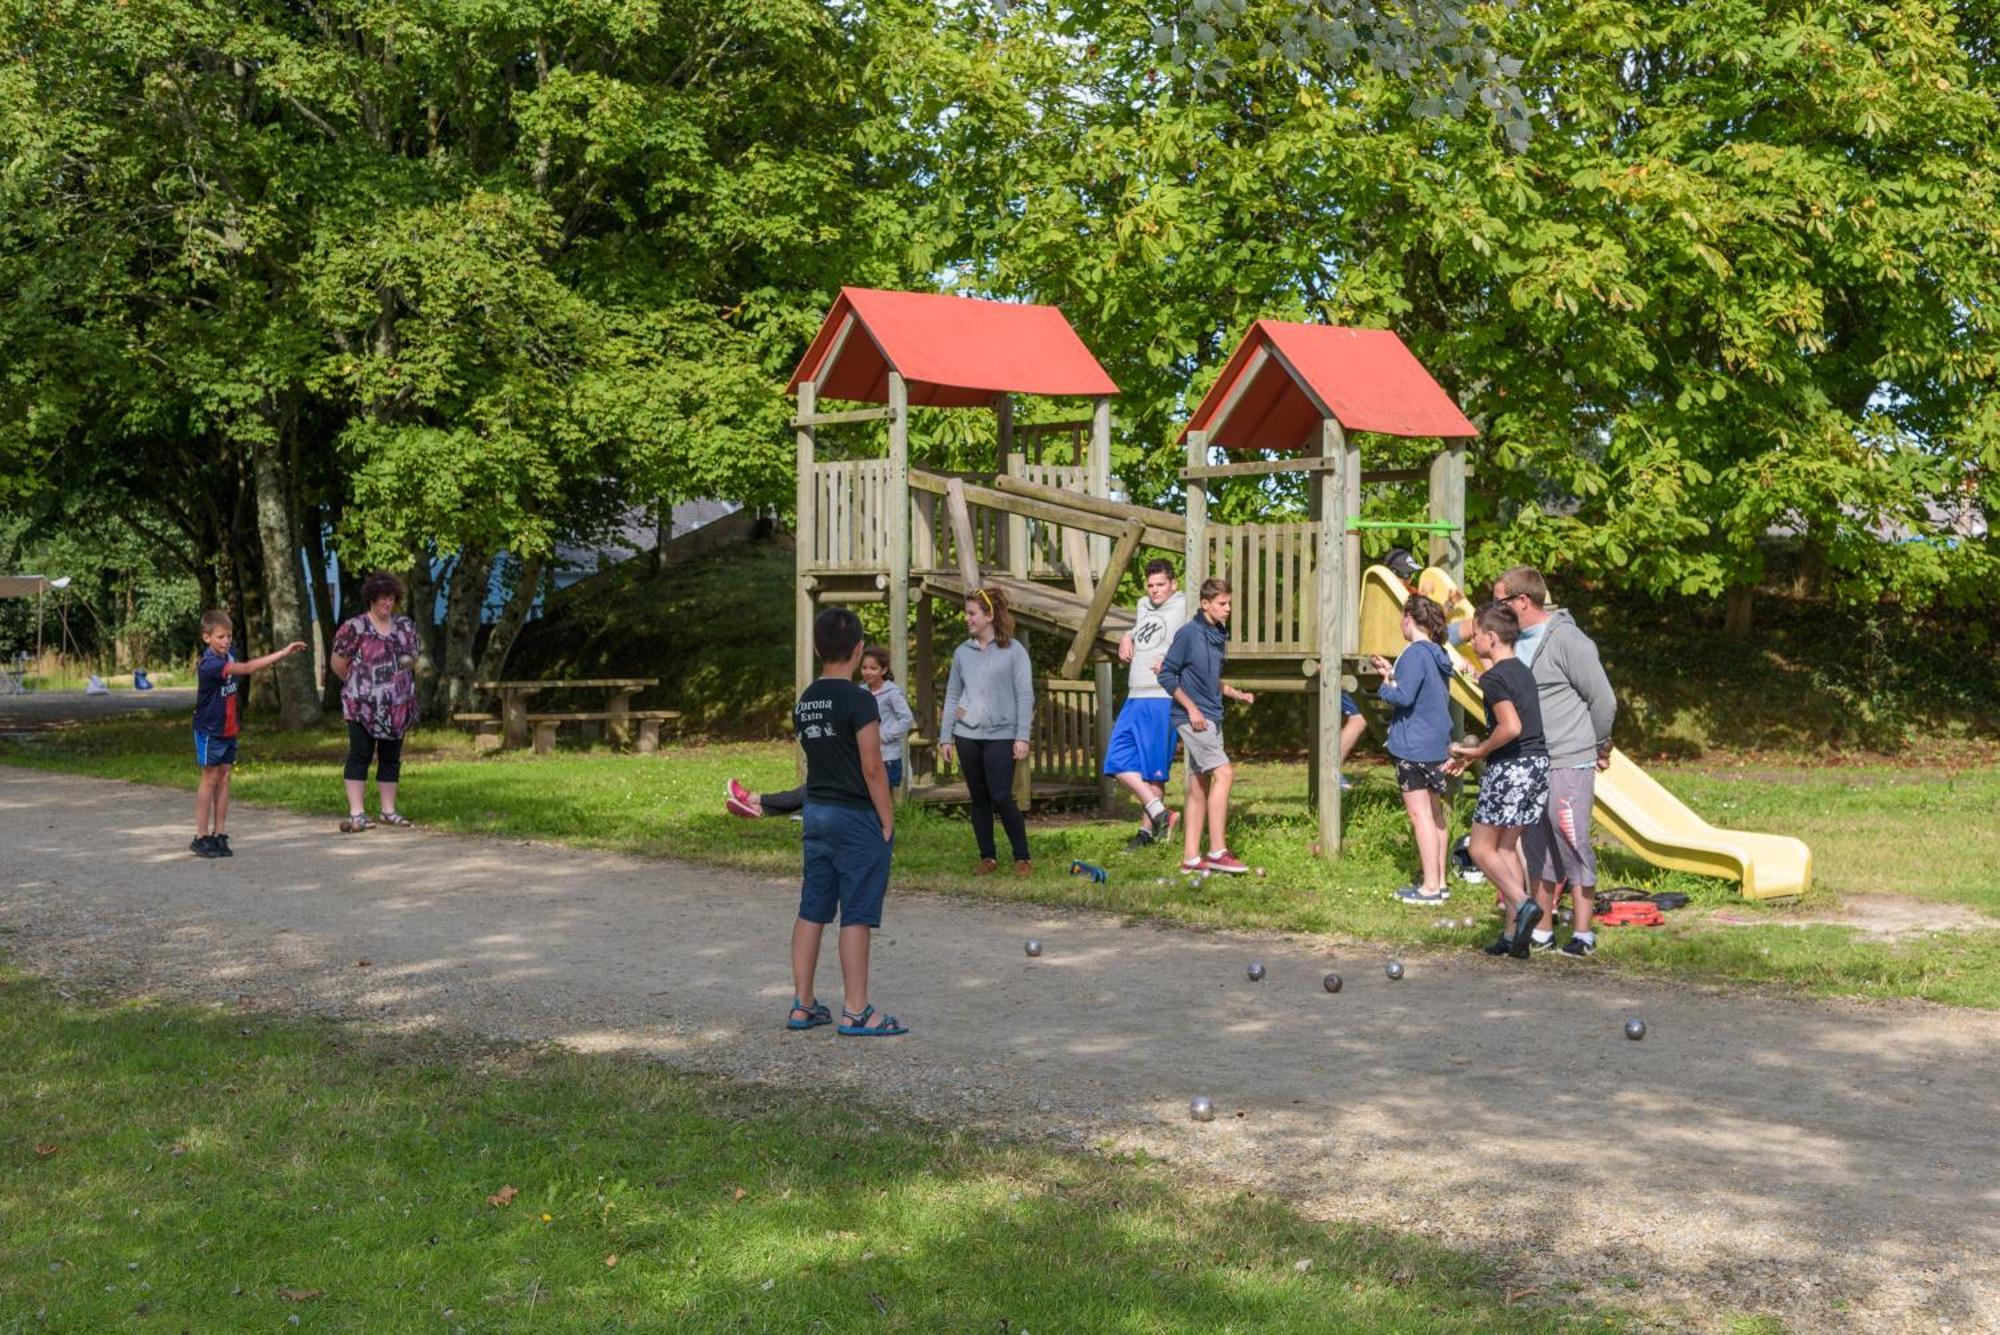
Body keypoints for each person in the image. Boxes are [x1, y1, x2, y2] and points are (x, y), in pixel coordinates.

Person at [786, 606, 906, 1037]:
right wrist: (887, 819)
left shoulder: (807, 699)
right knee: (856, 912)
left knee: (812, 908)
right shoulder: (859, 699)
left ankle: (803, 1004)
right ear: (858, 650)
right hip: (855, 817)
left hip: (816, 812)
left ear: (818, 648)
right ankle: (856, 1011)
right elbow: (872, 767)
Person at [1495, 567, 1618, 958]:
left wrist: (1598, 745)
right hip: (1533, 761)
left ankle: (1582, 934)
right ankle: (1543, 930)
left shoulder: (1568, 640)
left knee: (1572, 842)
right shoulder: (1516, 642)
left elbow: (1604, 699)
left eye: (1500, 602)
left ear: (1522, 601)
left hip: (1569, 759)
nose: (1495, 610)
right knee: (1538, 849)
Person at [1443, 602, 1549, 958]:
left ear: (1491, 637)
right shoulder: (1521, 670)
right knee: (1505, 850)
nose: (1472, 643)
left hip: (1511, 768)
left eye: (1475, 636)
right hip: (1535, 765)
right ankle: (1512, 937)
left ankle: (1522, 904)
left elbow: (1511, 727)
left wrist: (1479, 751)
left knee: (1479, 848)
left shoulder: (1493, 678)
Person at [726, 645, 912, 819]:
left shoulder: (892, 693)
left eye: (873, 668)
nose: (868, 672)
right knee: (825, 786)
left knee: (826, 787)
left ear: (884, 670)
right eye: (864, 667)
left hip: (885, 758)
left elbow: (906, 719)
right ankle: (762, 806)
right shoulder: (858, 691)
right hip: (858, 755)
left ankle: (758, 800)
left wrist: (881, 737)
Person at [1156, 577, 1257, 875]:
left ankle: (1190, 857)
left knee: (1199, 783)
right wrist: (1191, 708)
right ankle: (1217, 851)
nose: (1228, 609)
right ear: (1205, 604)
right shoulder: (1189, 634)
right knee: (1224, 773)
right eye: (1222, 604)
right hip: (1193, 718)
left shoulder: (1217, 634)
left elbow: (1207, 679)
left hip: (1212, 714)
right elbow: (1167, 675)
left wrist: (1236, 694)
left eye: (1229, 604)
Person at [189, 610, 307, 858]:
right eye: (220, 636)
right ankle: (201, 836)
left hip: (228, 728)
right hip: (210, 729)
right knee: (210, 777)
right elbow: (249, 667)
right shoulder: (211, 664)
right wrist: (283, 653)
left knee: (225, 776)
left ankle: (219, 833)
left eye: (229, 636)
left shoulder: (227, 655)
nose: (226, 641)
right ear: (206, 638)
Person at [939, 587, 1036, 875]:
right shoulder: (962, 652)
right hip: (966, 735)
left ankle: (1022, 857)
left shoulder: (1014, 652)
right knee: (978, 797)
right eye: (967, 612)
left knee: (1001, 796)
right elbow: (953, 696)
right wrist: (946, 736)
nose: (966, 618)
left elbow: (1025, 695)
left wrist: (1022, 735)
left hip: (1002, 735)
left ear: (989, 615)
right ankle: (987, 857)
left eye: (972, 613)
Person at [1369, 593, 1456, 905]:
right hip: (1437, 743)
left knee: (1420, 816)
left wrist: (1384, 685)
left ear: (1408, 618)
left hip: (1414, 746)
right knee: (1435, 814)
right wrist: (1392, 673)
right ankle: (1441, 881)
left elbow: (1403, 697)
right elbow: (1416, 690)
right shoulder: (1437, 652)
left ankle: (1429, 887)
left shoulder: (1415, 653)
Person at [329, 571, 422, 833]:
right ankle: (357, 813)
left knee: (391, 757)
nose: (387, 603)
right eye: (382, 598)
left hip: (396, 704)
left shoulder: (405, 626)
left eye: (391, 598)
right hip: (361, 704)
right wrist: (360, 683)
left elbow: (413, 657)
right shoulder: (355, 627)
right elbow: (338, 663)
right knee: (360, 753)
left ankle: (388, 810)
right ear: (371, 599)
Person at [1104, 558, 1188, 850]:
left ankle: (1146, 834)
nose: (1155, 591)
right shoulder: (1142, 605)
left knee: (1154, 771)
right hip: (1135, 695)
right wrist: (1127, 635)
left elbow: (1198, 636)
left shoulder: (1184, 605)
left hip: (1160, 697)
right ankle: (1161, 813)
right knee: (1115, 760)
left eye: (1161, 585)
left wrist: (1176, 659)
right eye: (1150, 585)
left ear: (1173, 584)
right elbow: (1141, 629)